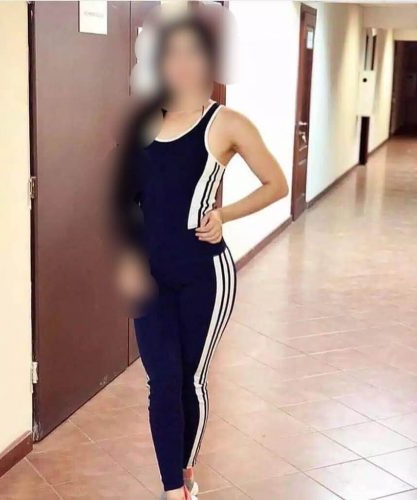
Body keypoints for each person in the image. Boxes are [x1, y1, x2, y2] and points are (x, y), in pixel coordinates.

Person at [114, 10, 288, 500]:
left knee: (189, 378)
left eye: (194, 52)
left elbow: (277, 184)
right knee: (161, 380)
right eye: (173, 53)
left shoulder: (226, 123)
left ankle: (182, 481)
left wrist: (225, 214)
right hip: (149, 276)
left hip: (204, 275)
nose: (183, 63)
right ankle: (174, 487)